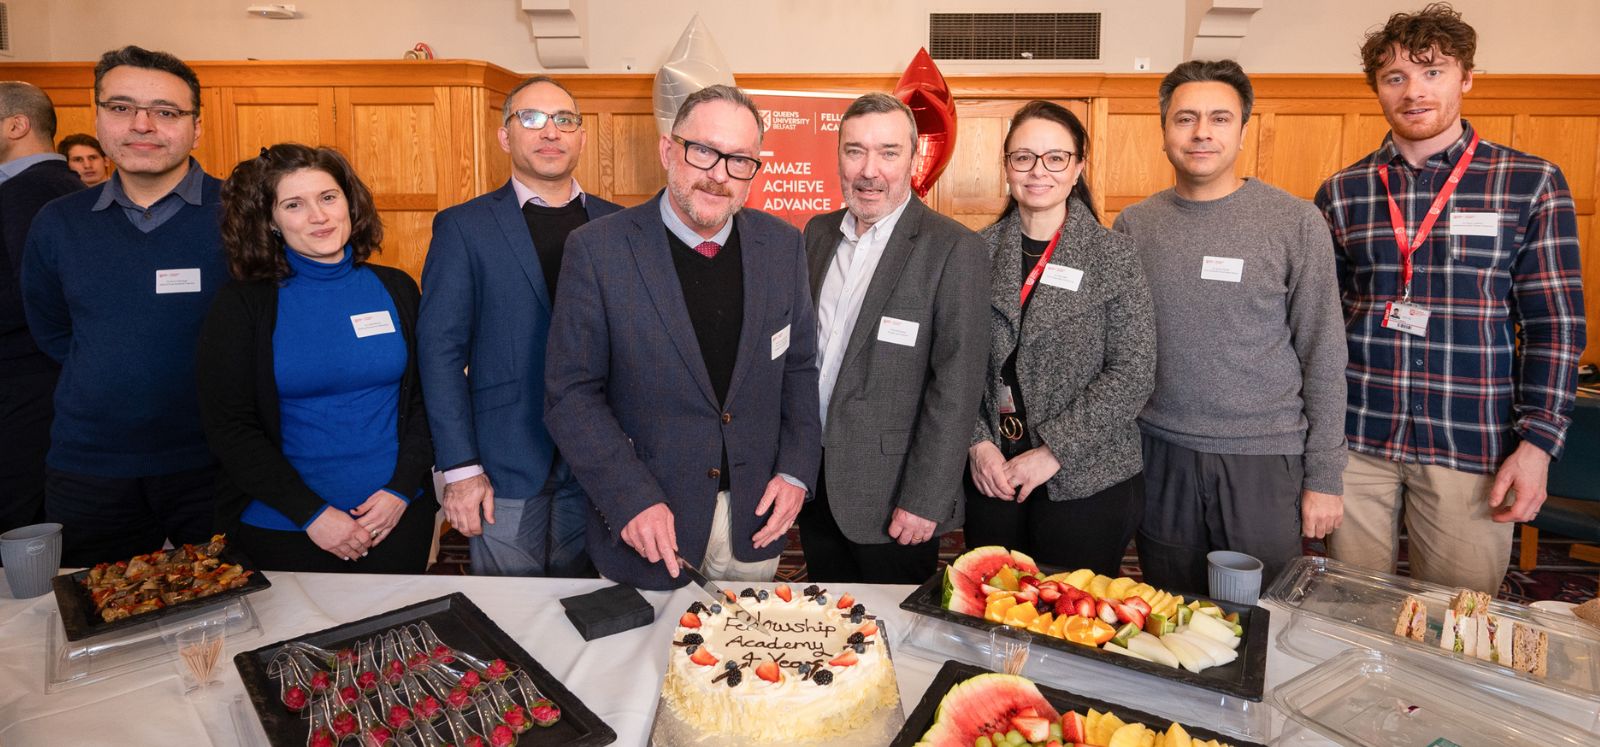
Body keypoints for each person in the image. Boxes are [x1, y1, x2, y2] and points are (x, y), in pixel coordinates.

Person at [1316, 4, 1586, 594]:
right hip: (1357, 438)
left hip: (1469, 439)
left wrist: (1538, 442)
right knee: (1346, 612)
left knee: (1458, 625)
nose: (1414, 91)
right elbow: (1320, 327)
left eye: (1433, 72)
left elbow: (1555, 326)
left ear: (1466, 78)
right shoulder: (1343, 192)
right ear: (1377, 90)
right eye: (1395, 77)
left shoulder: (1529, 182)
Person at [544, 84, 820, 590]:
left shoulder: (782, 245)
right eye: (704, 152)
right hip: (649, 524)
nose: (719, 175)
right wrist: (629, 498)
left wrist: (798, 470)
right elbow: (571, 396)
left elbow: (799, 368)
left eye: (739, 160)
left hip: (754, 523)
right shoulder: (597, 250)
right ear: (668, 150)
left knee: (744, 663)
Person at [1114, 60, 1347, 596]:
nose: (1201, 132)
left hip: (1263, 459)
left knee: (1260, 613)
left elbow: (1324, 355)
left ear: (1244, 130)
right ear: (1164, 131)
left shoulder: (1295, 222)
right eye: (1185, 118)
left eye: (1220, 118)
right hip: (1159, 451)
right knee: (1168, 607)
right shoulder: (1134, 225)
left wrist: (1325, 478)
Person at [21, 46, 227, 567]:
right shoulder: (58, 222)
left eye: (165, 111)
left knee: (235, 615)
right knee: (100, 617)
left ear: (196, 129)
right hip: (92, 465)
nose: (142, 125)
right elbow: (52, 330)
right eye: (121, 107)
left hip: (219, 463)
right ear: (97, 118)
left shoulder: (243, 214)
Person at [197, 143, 436, 573]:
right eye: (294, 204)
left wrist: (401, 490)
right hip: (286, 527)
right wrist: (311, 514)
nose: (319, 216)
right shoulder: (242, 305)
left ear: (349, 201)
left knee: (399, 641)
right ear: (269, 220)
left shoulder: (397, 288)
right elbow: (231, 428)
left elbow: (425, 400)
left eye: (328, 197)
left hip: (396, 519)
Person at [419, 76, 620, 578]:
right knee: (510, 619)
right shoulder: (464, 227)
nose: (550, 131)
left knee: (585, 602)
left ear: (582, 137)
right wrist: (461, 470)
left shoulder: (621, 227)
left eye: (565, 120)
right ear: (506, 136)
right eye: (531, 118)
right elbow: (439, 353)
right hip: (504, 460)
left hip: (597, 459)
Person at [798, 93, 989, 584]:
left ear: (913, 159)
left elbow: (958, 387)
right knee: (828, 626)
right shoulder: (815, 235)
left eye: (888, 152)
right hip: (813, 484)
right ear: (837, 155)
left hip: (894, 499)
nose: (869, 170)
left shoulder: (953, 248)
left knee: (894, 640)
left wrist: (925, 498)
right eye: (855, 150)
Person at [966, 100, 1155, 577]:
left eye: (1056, 158)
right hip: (993, 475)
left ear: (1078, 167)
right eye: (1023, 157)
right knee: (992, 614)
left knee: (1071, 622)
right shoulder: (975, 252)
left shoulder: (1115, 255)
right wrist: (978, 443)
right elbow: (952, 362)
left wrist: (1053, 452)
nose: (1038, 171)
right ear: (1007, 166)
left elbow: (1133, 372)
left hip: (1086, 480)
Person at [0, 82, 83, 538]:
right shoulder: (42, 187)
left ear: (17, 124)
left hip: (32, 379)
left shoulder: (36, 192)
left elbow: (34, 297)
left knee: (25, 514)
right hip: (31, 378)